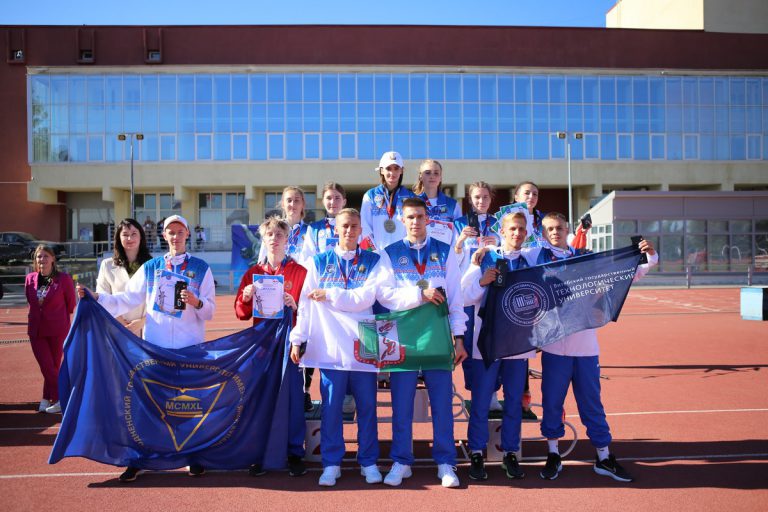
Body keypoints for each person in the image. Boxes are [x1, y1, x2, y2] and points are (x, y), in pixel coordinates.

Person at [77, 215, 216, 482]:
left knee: (188, 404)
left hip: (189, 348)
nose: (175, 237)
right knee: (149, 406)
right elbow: (128, 298)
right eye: (170, 232)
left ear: (187, 234)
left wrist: (197, 302)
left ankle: (192, 456)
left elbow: (209, 312)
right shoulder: (151, 267)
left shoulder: (201, 268)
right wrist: (98, 298)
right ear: (164, 236)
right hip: (155, 348)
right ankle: (139, 457)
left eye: (180, 232)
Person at [534, 212, 658, 483]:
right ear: (543, 233)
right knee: (552, 403)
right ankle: (553, 454)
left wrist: (648, 256)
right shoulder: (535, 259)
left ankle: (603, 457)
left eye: (559, 227)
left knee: (591, 404)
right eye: (549, 229)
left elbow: (626, 273)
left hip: (585, 348)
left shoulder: (586, 258)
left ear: (567, 229)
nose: (555, 232)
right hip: (554, 347)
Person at [289, 208, 388, 487]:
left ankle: (368, 461)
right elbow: (306, 305)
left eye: (354, 226)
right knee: (331, 408)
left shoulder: (374, 261)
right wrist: (298, 338)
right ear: (336, 229)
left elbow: (364, 298)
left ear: (361, 230)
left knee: (367, 408)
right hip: (331, 345)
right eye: (344, 226)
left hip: (364, 344)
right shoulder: (317, 262)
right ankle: (331, 463)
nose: (349, 231)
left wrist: (330, 294)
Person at [377, 197, 468, 488]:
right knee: (401, 405)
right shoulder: (389, 253)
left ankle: (446, 462)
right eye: (410, 217)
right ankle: (402, 461)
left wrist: (459, 338)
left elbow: (456, 299)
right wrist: (420, 295)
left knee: (442, 405)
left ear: (427, 218)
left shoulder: (444, 251)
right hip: (403, 338)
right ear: (402, 220)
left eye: (420, 216)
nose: (415, 221)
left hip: (437, 338)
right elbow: (384, 295)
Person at [461, 212, 538, 481]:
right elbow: (463, 296)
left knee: (514, 401)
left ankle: (510, 452)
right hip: (487, 343)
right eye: (512, 229)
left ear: (526, 233)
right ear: (502, 232)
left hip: (518, 343)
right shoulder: (485, 258)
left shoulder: (531, 260)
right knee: (481, 400)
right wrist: (482, 281)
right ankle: (477, 452)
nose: (517, 233)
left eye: (521, 229)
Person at [234, 216, 308, 478]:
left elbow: (310, 311)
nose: (274, 239)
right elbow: (240, 313)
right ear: (263, 240)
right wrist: (245, 297)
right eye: (269, 235)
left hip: (290, 345)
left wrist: (295, 306)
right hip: (262, 346)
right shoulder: (253, 273)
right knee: (261, 399)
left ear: (287, 240)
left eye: (279, 235)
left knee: (293, 398)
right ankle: (259, 453)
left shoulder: (300, 272)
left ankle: (294, 452)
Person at [298, 182, 349, 412]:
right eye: (328, 198)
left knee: (343, 344)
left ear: (344, 201)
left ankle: (345, 394)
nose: (332, 202)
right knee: (312, 342)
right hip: (319, 296)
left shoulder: (351, 224)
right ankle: (306, 391)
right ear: (323, 201)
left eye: (337, 198)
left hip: (344, 294)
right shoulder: (314, 229)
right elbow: (307, 260)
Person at [452, 181, 501, 401]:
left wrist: (496, 242)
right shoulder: (458, 224)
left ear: (491, 199)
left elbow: (509, 250)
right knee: (469, 342)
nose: (481, 201)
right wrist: (460, 242)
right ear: (470, 199)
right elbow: (452, 261)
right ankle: (475, 391)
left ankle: (492, 393)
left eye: (485, 197)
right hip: (468, 291)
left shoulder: (499, 223)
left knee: (492, 339)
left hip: (494, 289)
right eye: (477, 197)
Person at [25, 244, 76, 415]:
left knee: (52, 366)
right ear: (35, 259)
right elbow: (31, 302)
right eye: (39, 256)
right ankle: (63, 398)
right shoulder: (30, 278)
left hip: (57, 329)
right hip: (36, 329)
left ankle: (46, 398)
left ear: (53, 259)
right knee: (46, 366)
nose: (42, 259)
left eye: (46, 256)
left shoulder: (63, 279)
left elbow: (71, 304)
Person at [96, 219, 153, 337]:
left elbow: (159, 300)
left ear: (141, 237)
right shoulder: (107, 265)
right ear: (118, 238)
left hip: (146, 329)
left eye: (134, 234)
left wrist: (142, 322)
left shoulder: (153, 265)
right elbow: (102, 296)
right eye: (125, 234)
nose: (129, 238)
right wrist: (120, 321)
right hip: (116, 327)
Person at [360, 151, 415, 252]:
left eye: (396, 168)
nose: (392, 173)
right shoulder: (370, 196)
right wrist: (374, 253)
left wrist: (407, 252)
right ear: (381, 170)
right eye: (388, 168)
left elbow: (413, 228)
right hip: (377, 256)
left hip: (403, 256)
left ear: (402, 170)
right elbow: (365, 227)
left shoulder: (411, 197)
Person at [412, 159, 461, 243]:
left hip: (446, 250)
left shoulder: (452, 205)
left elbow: (457, 235)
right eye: (427, 173)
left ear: (440, 177)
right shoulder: (412, 203)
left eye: (436, 173)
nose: (432, 176)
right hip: (418, 250)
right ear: (420, 176)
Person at [258, 186, 309, 263]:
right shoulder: (272, 230)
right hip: (277, 270)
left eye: (296, 200)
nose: (292, 204)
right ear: (283, 204)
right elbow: (262, 260)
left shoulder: (310, 231)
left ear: (303, 204)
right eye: (289, 200)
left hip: (302, 270)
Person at [514, 181, 545, 248]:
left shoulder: (545, 219)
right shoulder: (505, 218)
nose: (531, 196)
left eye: (535, 194)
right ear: (516, 197)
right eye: (527, 193)